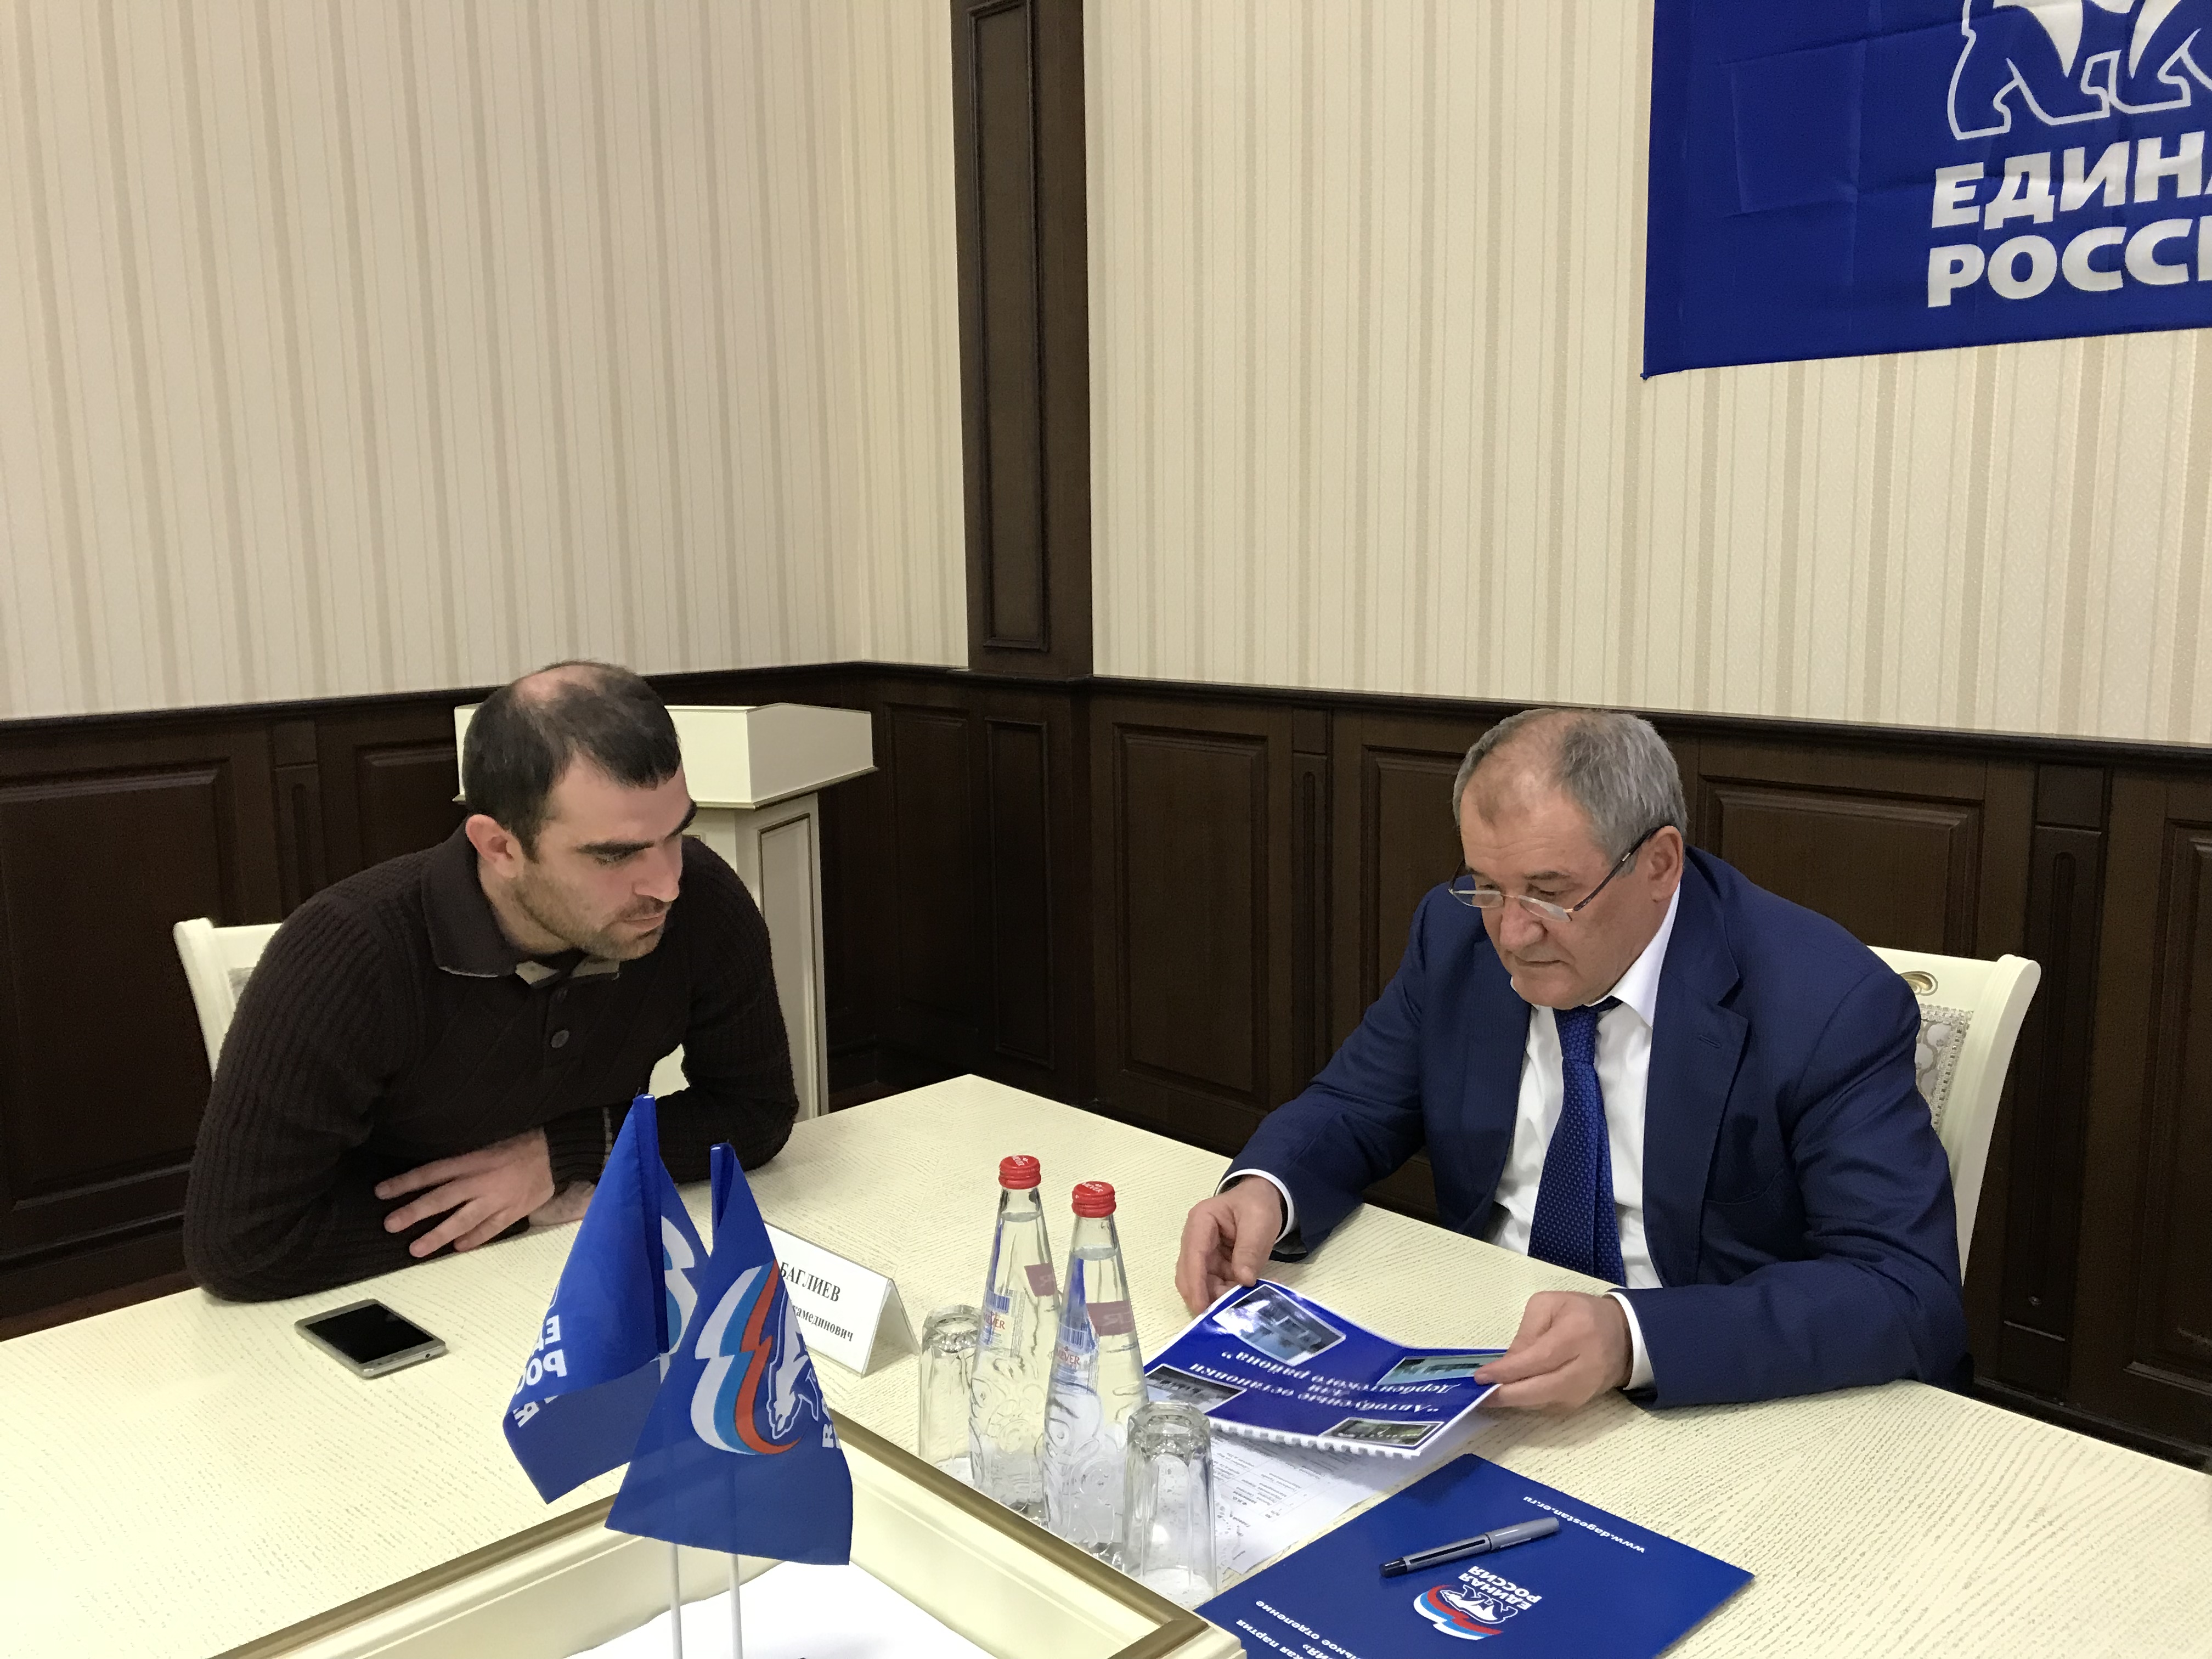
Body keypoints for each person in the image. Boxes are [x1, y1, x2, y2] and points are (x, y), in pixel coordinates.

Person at [1174, 708, 1967, 1410]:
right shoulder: (1456, 937)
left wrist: (1632, 1337)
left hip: (1709, 1387)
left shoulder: (1824, 1003)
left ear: (1659, 864)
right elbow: (1356, 1105)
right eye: (1487, 886)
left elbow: (1905, 1289)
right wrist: (1266, 1189)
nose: (1512, 933)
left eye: (1549, 893)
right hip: (1485, 1348)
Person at [184, 662, 797, 1301]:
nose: (666, 885)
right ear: (499, 847)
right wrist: (515, 1215)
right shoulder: (347, 954)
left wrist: (564, 1156)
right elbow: (241, 1243)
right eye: (615, 855)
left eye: (675, 833)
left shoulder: (703, 900)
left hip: (582, 1273)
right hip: (388, 1293)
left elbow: (757, 1112)